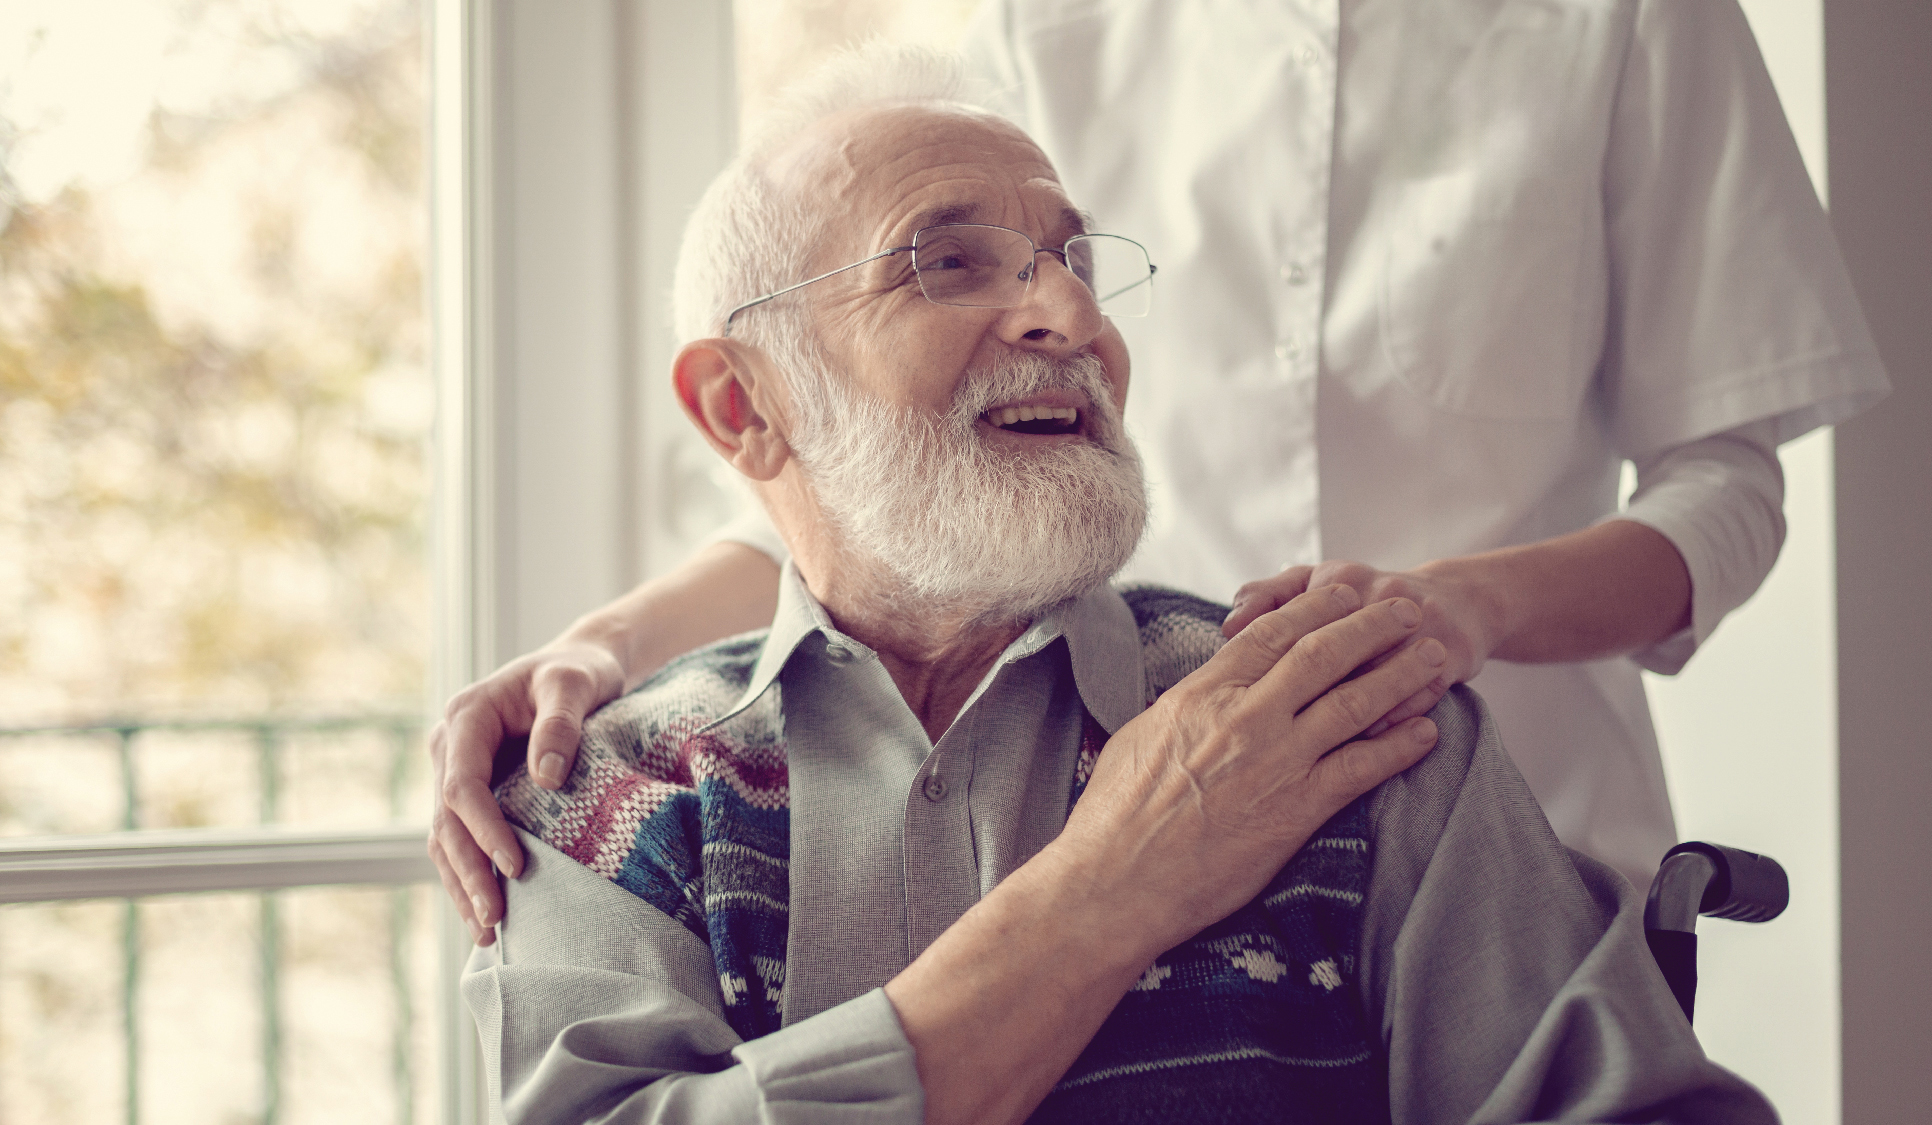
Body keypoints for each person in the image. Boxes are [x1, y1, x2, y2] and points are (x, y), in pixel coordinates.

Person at [461, 51, 1774, 1123]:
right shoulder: (602, 803)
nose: (1070, 320)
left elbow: (1730, 480)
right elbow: (849, 494)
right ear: (744, 404)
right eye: (950, 260)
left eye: (1077, 264)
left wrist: (1457, 611)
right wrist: (1115, 879)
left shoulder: (1359, 727)